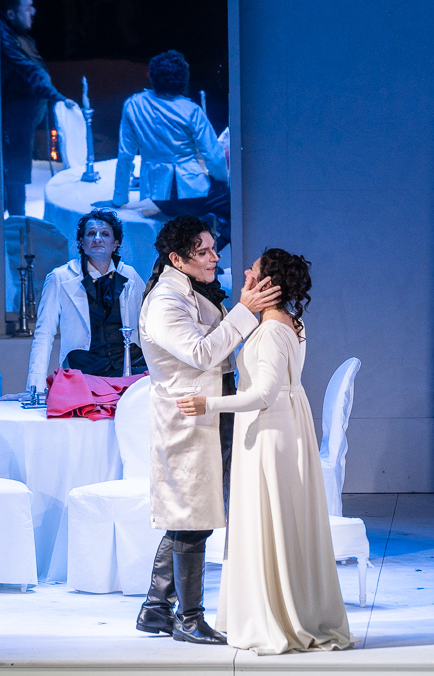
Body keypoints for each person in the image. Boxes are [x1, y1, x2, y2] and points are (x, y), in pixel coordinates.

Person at [177, 250, 351, 654]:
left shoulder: (272, 330)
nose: (246, 272)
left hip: (270, 431)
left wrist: (208, 404)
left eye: (253, 269)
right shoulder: (292, 322)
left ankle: (274, 616)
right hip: (284, 424)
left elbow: (264, 394)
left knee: (268, 517)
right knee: (278, 518)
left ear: (268, 283)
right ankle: (282, 607)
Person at [135, 215, 281, 644]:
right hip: (188, 420)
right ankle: (188, 619)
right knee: (191, 516)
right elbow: (201, 353)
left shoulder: (191, 289)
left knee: (190, 515)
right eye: (203, 251)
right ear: (177, 259)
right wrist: (245, 311)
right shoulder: (165, 301)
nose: (215, 257)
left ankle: (156, 609)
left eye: (214, 248)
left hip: (209, 413)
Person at [106, 50, 230, 248]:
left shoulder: (133, 104)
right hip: (192, 193)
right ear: (183, 78)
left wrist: (119, 198)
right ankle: (215, 249)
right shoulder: (191, 110)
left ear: (152, 76)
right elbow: (215, 158)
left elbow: (126, 155)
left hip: (157, 196)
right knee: (239, 205)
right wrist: (223, 181)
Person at [21, 209, 147, 395]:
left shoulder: (130, 275)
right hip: (85, 374)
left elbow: (147, 327)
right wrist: (34, 389)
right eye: (91, 233)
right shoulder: (60, 277)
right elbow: (44, 334)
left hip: (129, 370)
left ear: (115, 244)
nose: (97, 238)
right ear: (82, 242)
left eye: (105, 234)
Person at [0, 0, 75, 216]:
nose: (33, 12)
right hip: (12, 120)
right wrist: (58, 97)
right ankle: (15, 226)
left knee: (16, 175)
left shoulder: (19, 35)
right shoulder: (3, 37)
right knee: (14, 176)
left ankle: (16, 222)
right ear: (10, 13)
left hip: (22, 119)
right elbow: (31, 70)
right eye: (28, 7)